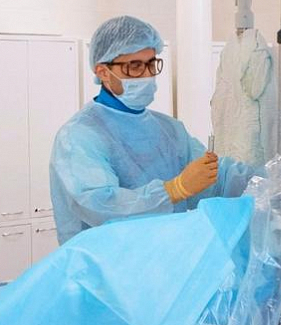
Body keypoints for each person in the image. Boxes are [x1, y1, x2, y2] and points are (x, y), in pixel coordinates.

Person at [50, 15, 259, 245]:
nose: (147, 75)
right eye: (135, 66)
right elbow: (100, 206)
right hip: (106, 262)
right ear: (103, 72)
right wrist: (174, 190)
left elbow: (217, 180)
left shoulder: (169, 130)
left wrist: (275, 181)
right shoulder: (79, 136)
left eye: (151, 64)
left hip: (164, 257)